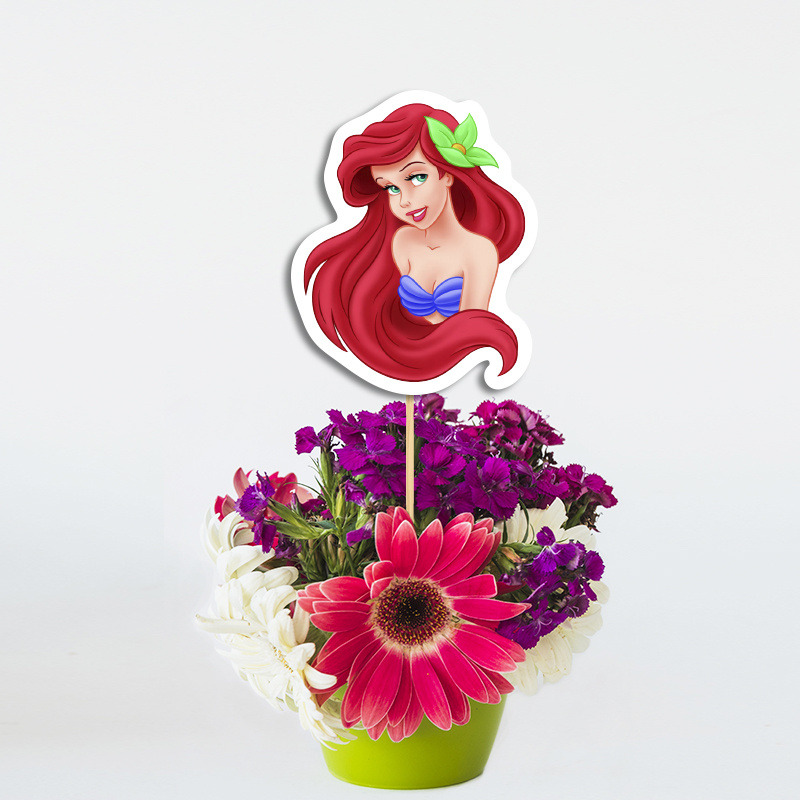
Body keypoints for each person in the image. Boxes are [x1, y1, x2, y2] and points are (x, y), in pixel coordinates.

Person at [303, 103, 527, 383]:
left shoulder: (479, 252)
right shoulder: (402, 240)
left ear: (447, 174)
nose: (404, 201)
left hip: (443, 366)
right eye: (391, 188)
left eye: (417, 177)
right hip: (399, 362)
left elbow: (471, 329)